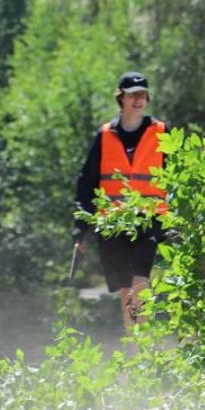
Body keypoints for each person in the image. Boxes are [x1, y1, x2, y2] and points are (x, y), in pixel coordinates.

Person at [73, 71, 167, 329]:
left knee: (140, 281)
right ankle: (137, 349)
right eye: (133, 95)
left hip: (148, 221)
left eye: (143, 94)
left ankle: (145, 343)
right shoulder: (105, 135)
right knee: (126, 289)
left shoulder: (160, 132)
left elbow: (178, 175)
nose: (139, 99)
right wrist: (80, 230)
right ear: (121, 98)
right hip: (112, 224)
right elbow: (86, 183)